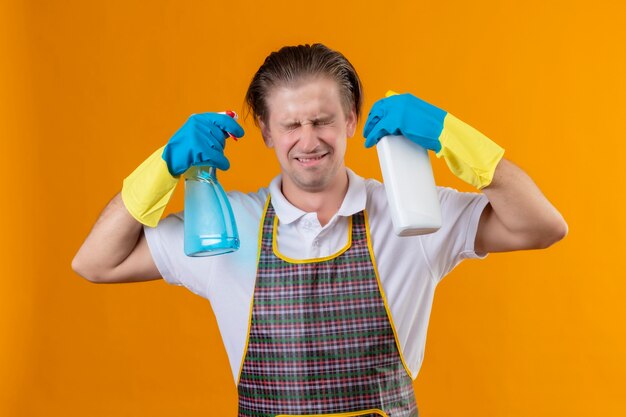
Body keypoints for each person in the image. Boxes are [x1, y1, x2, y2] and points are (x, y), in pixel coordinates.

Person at [72, 43, 567, 417]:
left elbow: (543, 227)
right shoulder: (230, 228)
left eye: (322, 120)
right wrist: (163, 165)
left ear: (351, 120)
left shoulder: (410, 214)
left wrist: (451, 135)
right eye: (290, 126)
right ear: (265, 132)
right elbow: (95, 262)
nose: (308, 141)